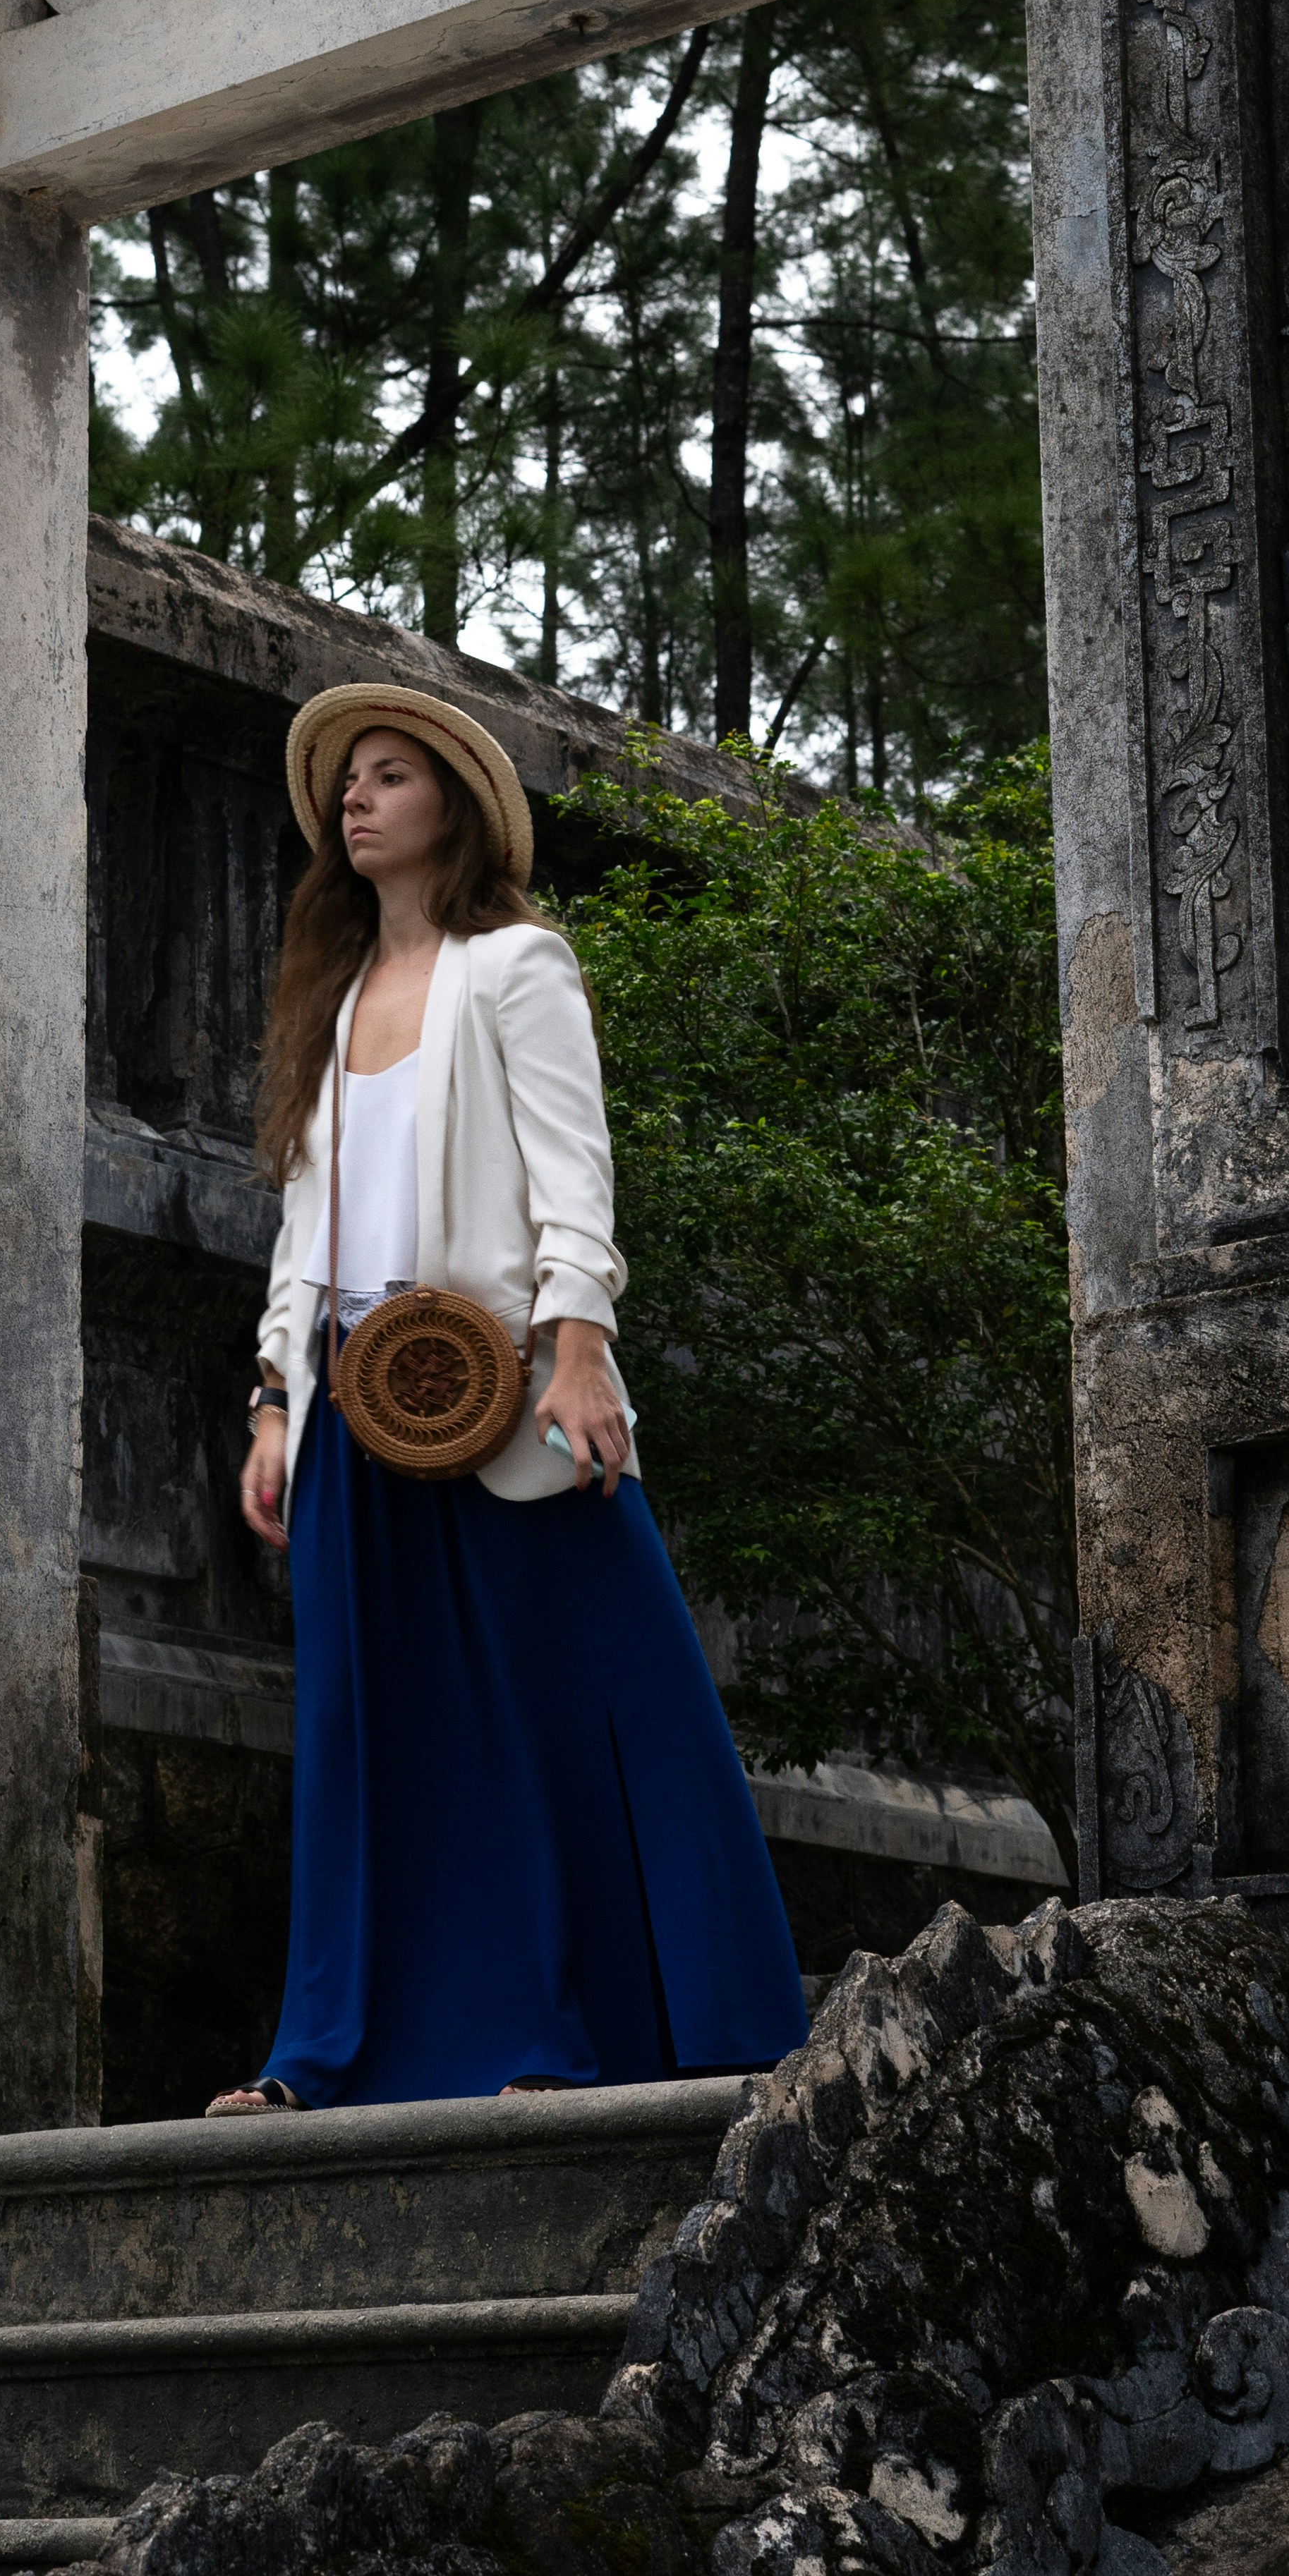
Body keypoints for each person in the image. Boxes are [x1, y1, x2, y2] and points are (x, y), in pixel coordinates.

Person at [212, 681, 809, 2113]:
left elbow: (571, 1170)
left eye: (388, 774)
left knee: (592, 1702)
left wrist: (581, 1347)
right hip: (356, 1412)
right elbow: (307, 1226)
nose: (354, 798)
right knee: (370, 1738)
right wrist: (273, 1401)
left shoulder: (518, 963)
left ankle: (611, 2030)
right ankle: (327, 2056)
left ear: (454, 809)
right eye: (345, 781)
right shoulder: (334, 997)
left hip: (514, 1398)